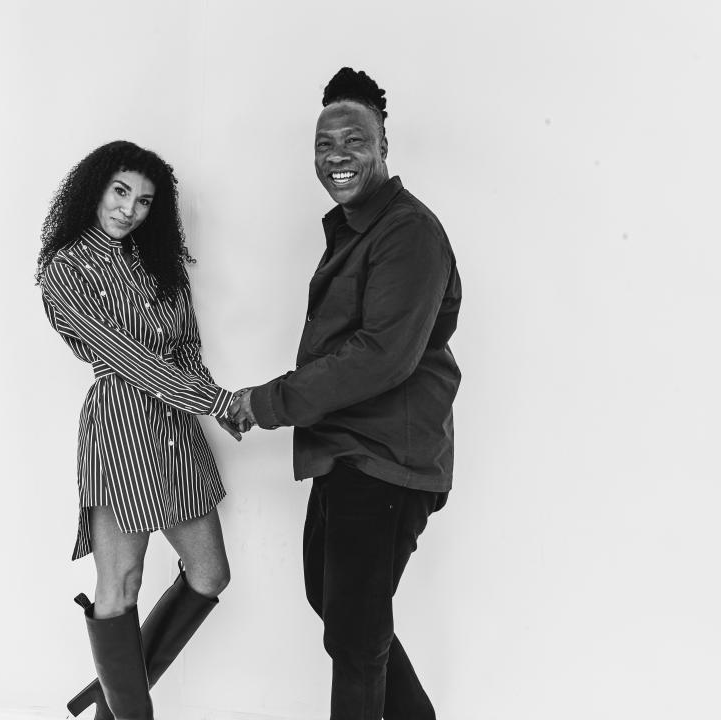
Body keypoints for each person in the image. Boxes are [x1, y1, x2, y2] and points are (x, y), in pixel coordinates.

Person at [229, 68, 462, 720]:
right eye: (324, 141)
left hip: (386, 456)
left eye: (353, 139)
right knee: (338, 610)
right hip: (345, 450)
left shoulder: (407, 232)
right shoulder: (358, 229)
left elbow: (379, 357)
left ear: (384, 146)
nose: (336, 154)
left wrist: (266, 403)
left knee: (356, 638)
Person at [36, 140, 243, 720]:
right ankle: (128, 711)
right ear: (95, 189)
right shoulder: (66, 270)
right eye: (120, 192)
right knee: (120, 583)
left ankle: (110, 695)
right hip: (120, 427)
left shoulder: (160, 266)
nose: (129, 210)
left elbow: (185, 352)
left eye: (145, 201)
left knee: (209, 574)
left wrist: (224, 407)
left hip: (176, 429)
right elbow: (131, 360)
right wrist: (215, 397)